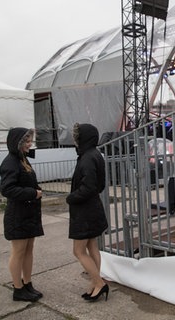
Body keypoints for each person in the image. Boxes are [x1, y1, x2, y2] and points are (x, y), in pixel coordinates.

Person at [0, 127, 44, 302]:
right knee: (18, 252)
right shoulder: (10, 162)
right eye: (26, 141)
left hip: (29, 213)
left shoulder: (23, 159)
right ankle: (18, 288)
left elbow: (26, 181)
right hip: (17, 215)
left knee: (28, 250)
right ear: (17, 143)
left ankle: (27, 283)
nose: (29, 144)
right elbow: (7, 189)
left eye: (30, 140)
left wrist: (35, 190)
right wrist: (32, 193)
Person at [66, 123, 109, 302]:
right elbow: (99, 185)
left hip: (85, 211)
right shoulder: (94, 154)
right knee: (92, 247)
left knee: (78, 251)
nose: (75, 140)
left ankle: (99, 283)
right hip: (92, 208)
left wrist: (71, 197)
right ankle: (94, 283)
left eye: (77, 136)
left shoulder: (87, 157)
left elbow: (89, 186)